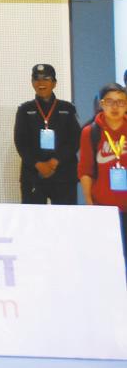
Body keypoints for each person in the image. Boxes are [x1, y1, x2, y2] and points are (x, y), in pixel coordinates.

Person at [15, 62, 81, 204]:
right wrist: (38, 164)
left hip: (64, 174)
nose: (41, 83)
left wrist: (55, 161)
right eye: (36, 79)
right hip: (34, 174)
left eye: (46, 78)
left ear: (54, 83)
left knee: (65, 220)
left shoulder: (67, 109)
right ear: (32, 82)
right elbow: (21, 143)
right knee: (33, 221)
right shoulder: (24, 110)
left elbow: (75, 140)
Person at [79, 82, 127, 268]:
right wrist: (90, 203)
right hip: (104, 207)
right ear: (101, 104)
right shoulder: (91, 132)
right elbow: (85, 170)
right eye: (110, 102)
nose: (115, 107)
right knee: (108, 259)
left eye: (121, 102)